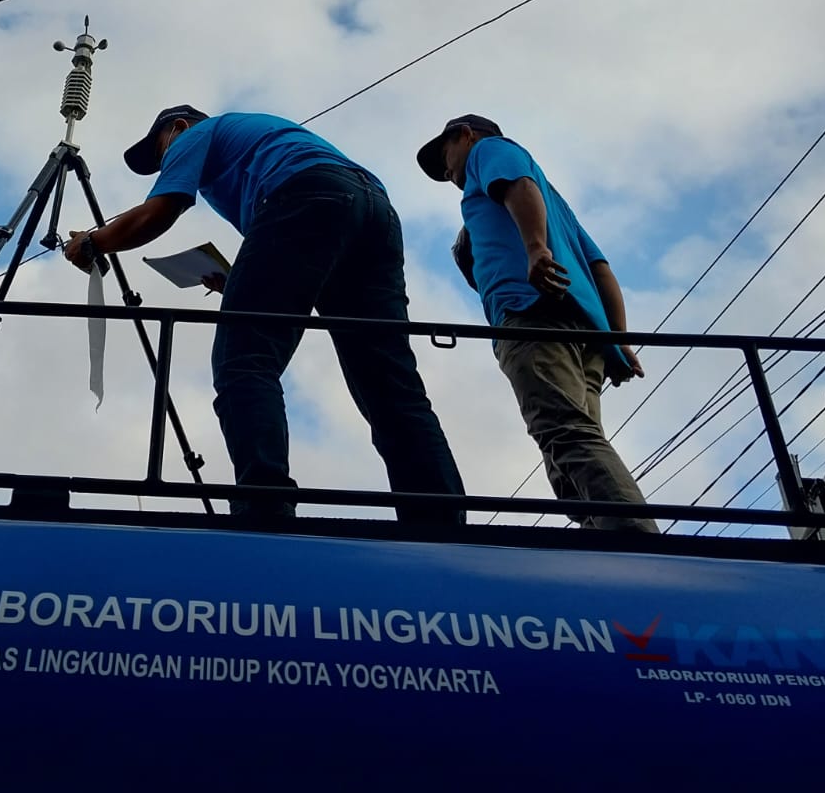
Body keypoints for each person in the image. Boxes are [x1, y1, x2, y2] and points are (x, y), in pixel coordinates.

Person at [64, 107, 465, 522]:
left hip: (309, 194)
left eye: (161, 151)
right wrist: (239, 280)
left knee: (243, 360)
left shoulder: (194, 134)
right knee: (388, 383)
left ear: (178, 128)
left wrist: (95, 241)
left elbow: (160, 211)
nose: (166, 161)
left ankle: (264, 506)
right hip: (374, 210)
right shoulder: (264, 144)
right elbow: (300, 256)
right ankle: (439, 519)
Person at [417, 114, 658, 534]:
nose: (448, 172)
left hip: (531, 316)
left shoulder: (490, 152)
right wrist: (618, 342)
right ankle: (603, 542)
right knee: (573, 452)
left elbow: (518, 187)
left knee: (565, 433)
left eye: (445, 158)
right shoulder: (556, 202)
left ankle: (636, 540)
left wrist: (535, 251)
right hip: (585, 334)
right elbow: (600, 268)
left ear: (465, 135)